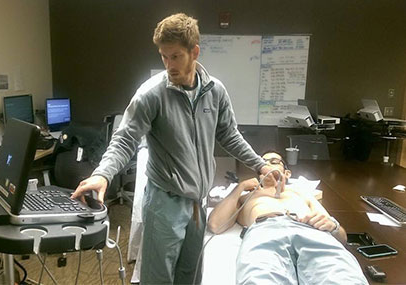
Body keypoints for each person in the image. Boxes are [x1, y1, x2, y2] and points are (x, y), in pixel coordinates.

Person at [71, 13, 274, 284]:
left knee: (190, 277)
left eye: (175, 56)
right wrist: (102, 174)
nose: (169, 65)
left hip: (197, 204)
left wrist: (260, 164)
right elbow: (125, 139)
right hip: (165, 203)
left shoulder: (215, 92)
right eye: (163, 57)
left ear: (194, 52)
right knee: (158, 279)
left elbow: (229, 135)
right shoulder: (151, 95)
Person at [208, 151, 369, 285]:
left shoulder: (301, 193)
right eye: (262, 162)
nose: (267, 165)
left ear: (287, 172)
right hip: (265, 232)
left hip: (310, 230)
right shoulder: (247, 197)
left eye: (274, 161)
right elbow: (215, 224)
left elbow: (341, 237)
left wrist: (333, 226)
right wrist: (240, 187)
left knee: (343, 279)